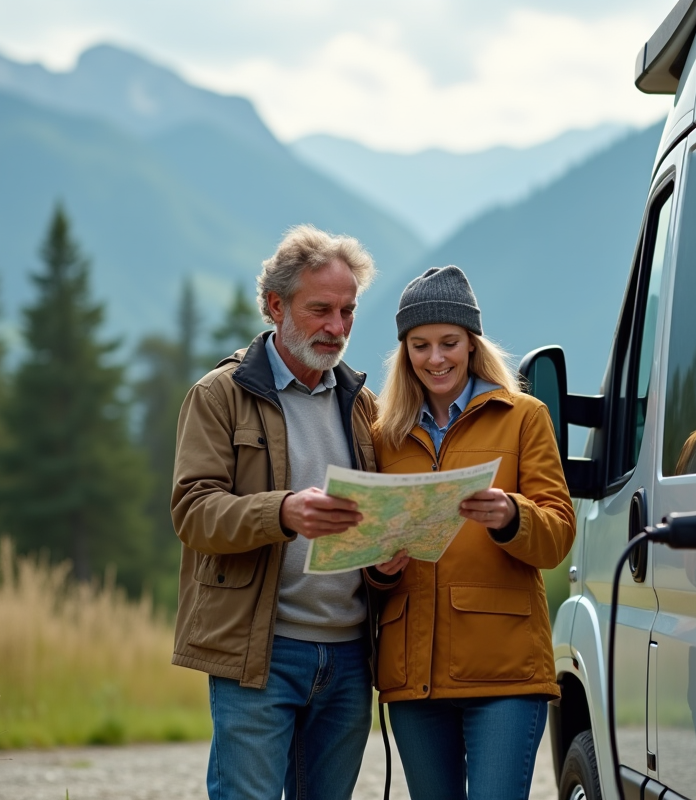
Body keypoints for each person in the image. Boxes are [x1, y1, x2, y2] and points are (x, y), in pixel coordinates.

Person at [170, 224, 403, 800]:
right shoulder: (219, 395)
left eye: (347, 311)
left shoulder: (362, 403)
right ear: (275, 305)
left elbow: (367, 520)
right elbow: (193, 512)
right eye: (320, 309)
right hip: (260, 654)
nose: (337, 328)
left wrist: (384, 563)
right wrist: (283, 511)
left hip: (351, 659)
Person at [369, 265, 575, 800]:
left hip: (504, 672)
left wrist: (511, 516)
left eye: (448, 343)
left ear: (472, 344)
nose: (435, 358)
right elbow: (366, 545)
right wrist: (377, 566)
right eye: (420, 345)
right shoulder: (382, 436)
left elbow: (557, 535)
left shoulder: (524, 417)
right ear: (404, 352)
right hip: (413, 674)